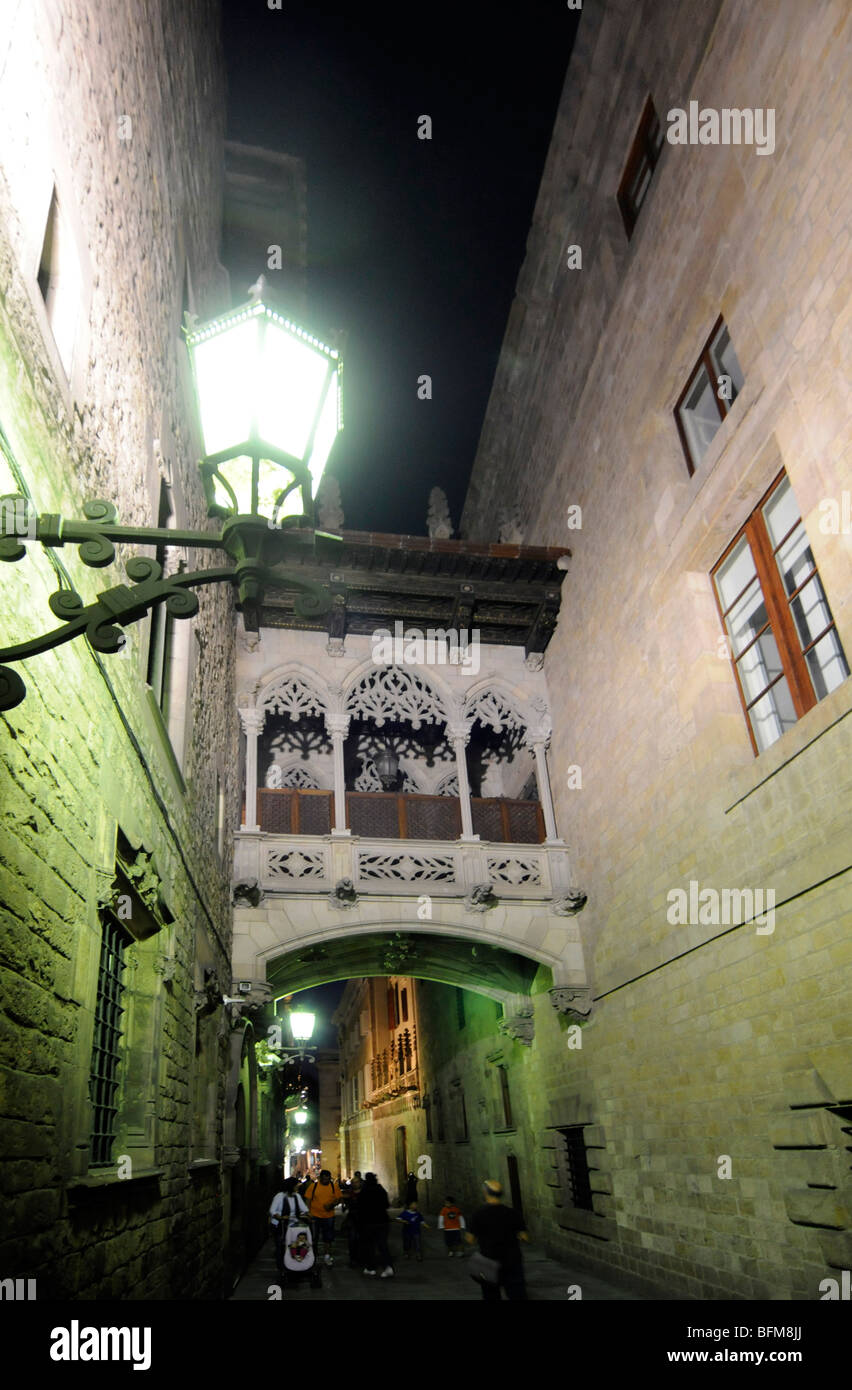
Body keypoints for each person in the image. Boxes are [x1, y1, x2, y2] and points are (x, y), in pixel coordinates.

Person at [465, 1178, 529, 1301]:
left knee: (491, 1295)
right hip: (512, 1260)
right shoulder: (513, 1213)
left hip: (488, 1261)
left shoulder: (478, 1214)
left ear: (485, 1193)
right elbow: (525, 1237)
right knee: (517, 1295)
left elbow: (470, 1239)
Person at [300, 1169, 345, 1266]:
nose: (326, 1181)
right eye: (324, 1179)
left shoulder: (334, 1186)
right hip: (315, 1215)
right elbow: (308, 1199)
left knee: (328, 1237)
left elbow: (339, 1199)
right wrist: (308, 1212)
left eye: (328, 1180)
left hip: (329, 1216)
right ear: (320, 1178)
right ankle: (313, 1256)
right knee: (314, 1237)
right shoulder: (314, 1186)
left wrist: (332, 1204)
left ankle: (327, 1255)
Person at [269, 1176, 309, 1278]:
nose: (297, 1188)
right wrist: (280, 1217)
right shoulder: (279, 1196)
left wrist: (306, 1214)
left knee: (294, 1245)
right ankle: (281, 1268)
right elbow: (272, 1211)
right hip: (280, 1225)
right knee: (281, 1246)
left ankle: (293, 1265)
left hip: (293, 1226)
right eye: (296, 1186)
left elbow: (304, 1209)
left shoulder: (297, 1196)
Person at [358, 1171, 394, 1278]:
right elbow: (387, 1205)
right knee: (383, 1245)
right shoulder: (380, 1189)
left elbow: (360, 1208)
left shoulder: (364, 1191)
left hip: (369, 1222)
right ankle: (388, 1267)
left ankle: (371, 1268)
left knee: (370, 1246)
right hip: (383, 1221)